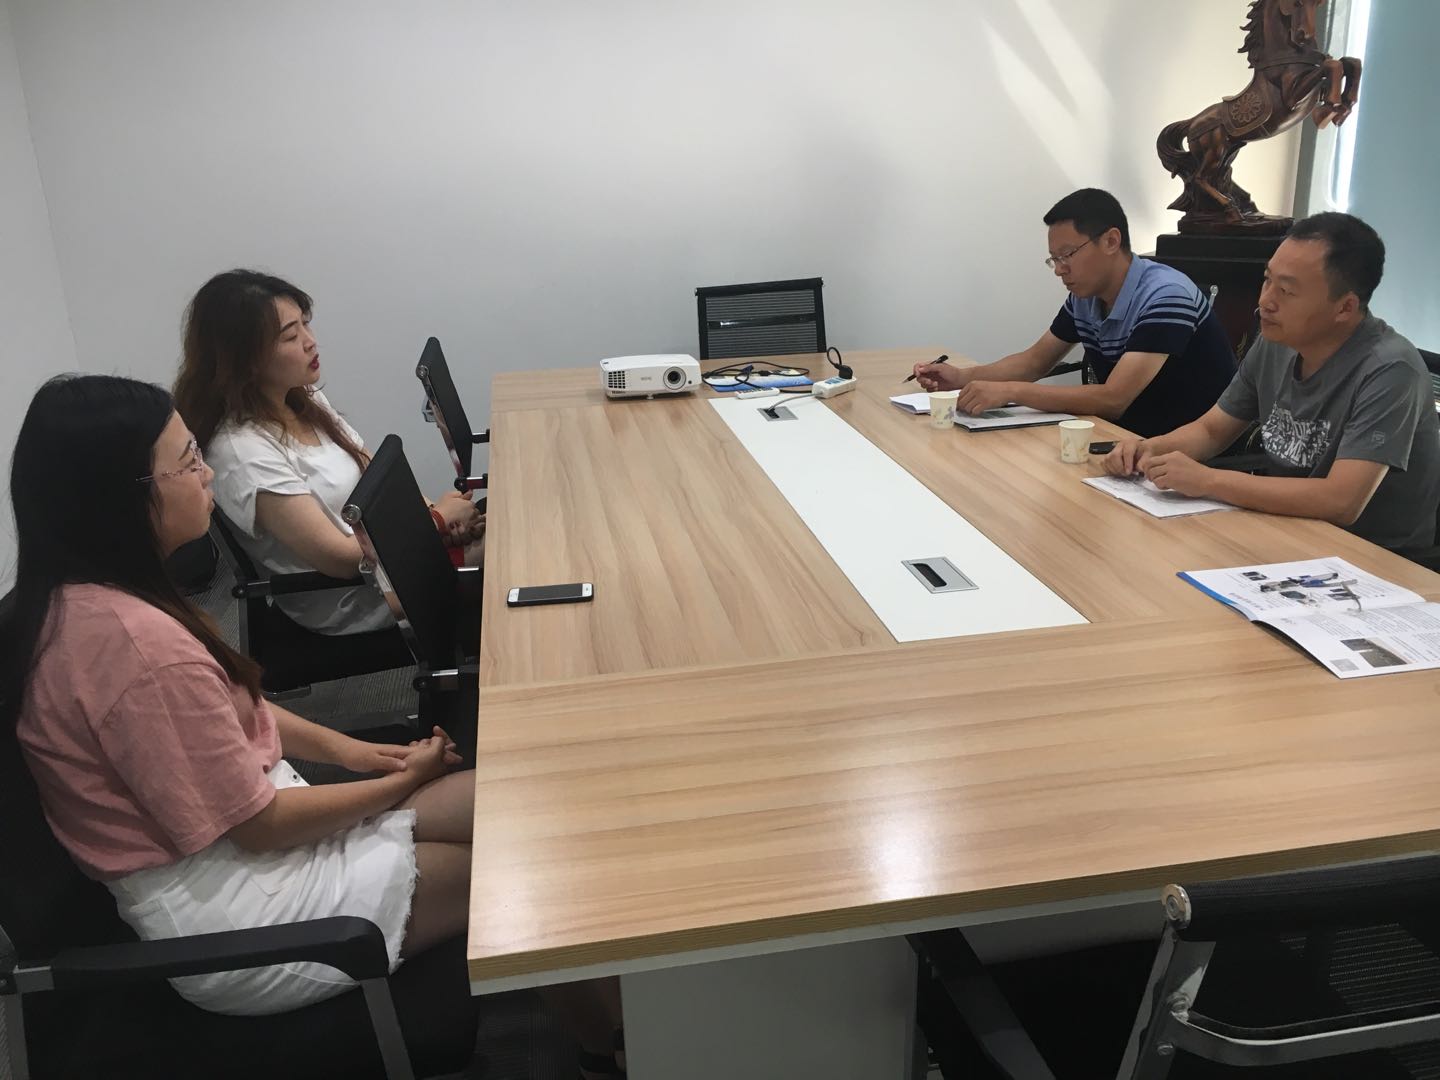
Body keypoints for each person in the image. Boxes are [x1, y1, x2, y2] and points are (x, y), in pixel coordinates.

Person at [0, 374, 624, 1075]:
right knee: (529, 873)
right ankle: (614, 1049)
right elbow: (258, 827)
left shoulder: (85, 599)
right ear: (122, 496)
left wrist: (360, 755)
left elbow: (236, 705)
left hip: (258, 853)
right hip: (248, 923)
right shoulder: (136, 650)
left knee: (525, 805)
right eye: (187, 462)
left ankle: (619, 1026)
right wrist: (398, 783)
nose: (207, 474)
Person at [1102, 212, 1440, 553]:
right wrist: (1150, 449)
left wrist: (1209, 480)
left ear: (1345, 308)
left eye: (1287, 291)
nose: (1265, 301)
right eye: (1267, 280)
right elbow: (1212, 430)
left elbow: (1341, 501)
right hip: (1288, 530)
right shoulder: (1276, 342)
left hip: (1374, 558)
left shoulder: (1390, 370)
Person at [172, 270, 482, 636]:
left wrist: (435, 515)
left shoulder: (302, 397)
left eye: (306, 324)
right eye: (291, 336)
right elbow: (339, 559)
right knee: (520, 547)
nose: (311, 341)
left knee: (516, 521)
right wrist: (438, 522)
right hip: (360, 596)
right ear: (244, 358)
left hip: (396, 558)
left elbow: (377, 474)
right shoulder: (241, 452)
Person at [912, 187, 1237, 438]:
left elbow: (1114, 399)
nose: (1059, 269)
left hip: (1185, 451)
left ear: (1111, 241)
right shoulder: (1085, 297)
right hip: (1124, 440)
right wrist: (961, 378)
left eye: (1067, 255)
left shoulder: (1165, 296)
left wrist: (1011, 392)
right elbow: (1034, 362)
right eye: (1054, 259)